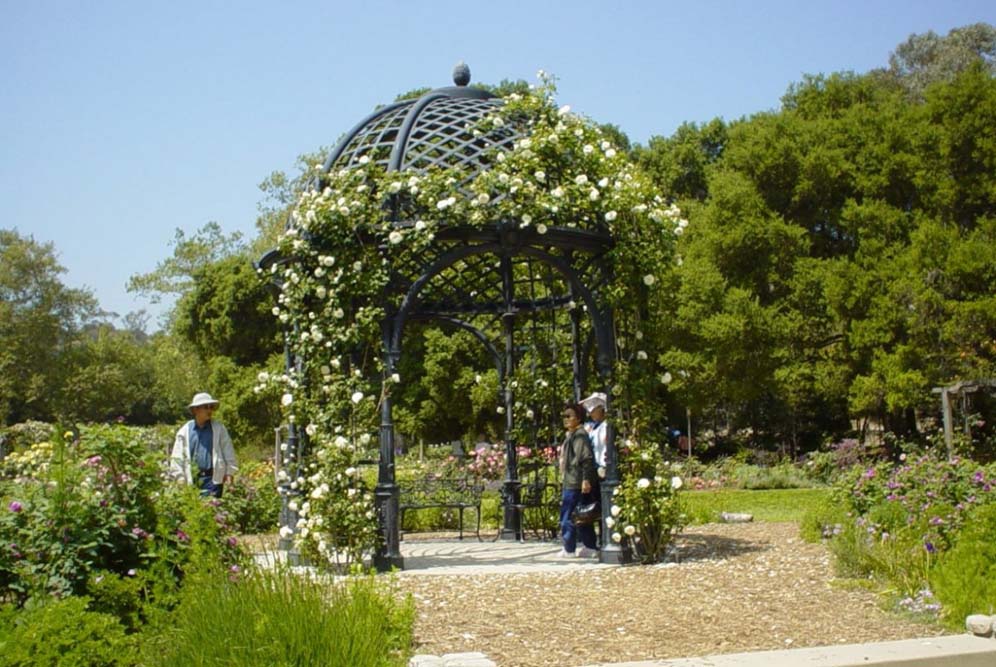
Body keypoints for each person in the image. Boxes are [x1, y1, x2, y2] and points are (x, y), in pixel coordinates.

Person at [169, 392, 237, 498]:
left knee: (213, 512)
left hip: (213, 480)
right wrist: (180, 478)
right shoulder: (185, 431)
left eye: (211, 407)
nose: (209, 410)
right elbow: (177, 457)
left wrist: (229, 474)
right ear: (196, 409)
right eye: (206, 407)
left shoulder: (219, 429)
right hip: (192, 479)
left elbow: (228, 451)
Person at [558, 401, 599, 558]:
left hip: (575, 482)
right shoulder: (573, 435)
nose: (565, 419)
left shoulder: (580, 436)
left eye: (569, 416)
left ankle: (569, 548)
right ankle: (589, 546)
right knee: (581, 515)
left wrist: (585, 479)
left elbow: (586, 459)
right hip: (572, 480)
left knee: (568, 515)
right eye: (564, 416)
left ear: (578, 418)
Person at [581, 392, 609, 479]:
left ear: (601, 409)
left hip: (603, 467)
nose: (590, 414)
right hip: (592, 467)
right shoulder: (592, 427)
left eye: (593, 411)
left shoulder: (607, 426)